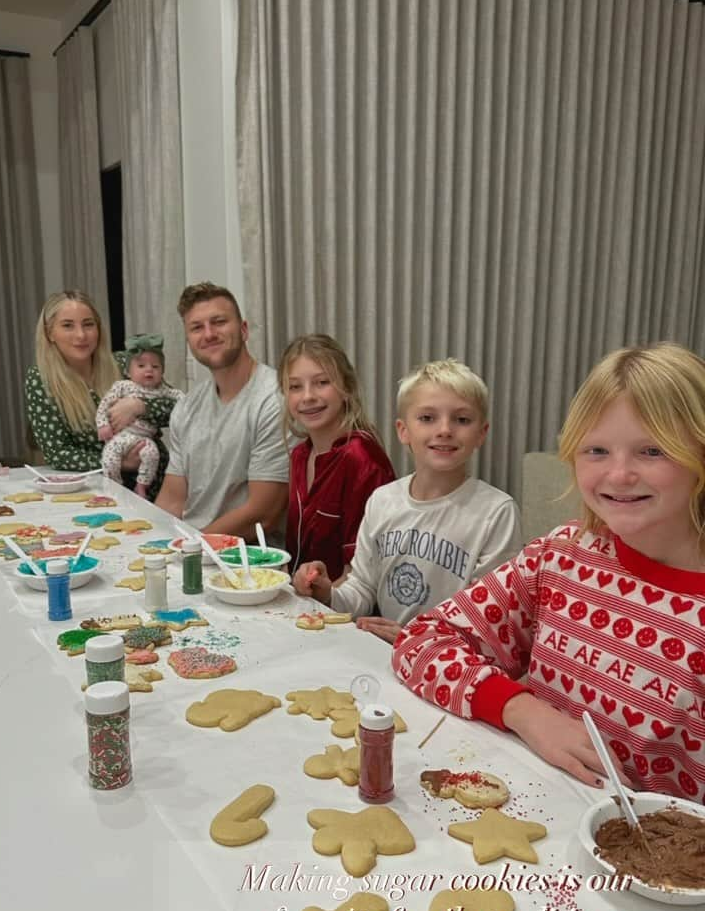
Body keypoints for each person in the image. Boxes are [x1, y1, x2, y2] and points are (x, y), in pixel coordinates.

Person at [393, 342, 705, 801]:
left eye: (652, 451)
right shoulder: (559, 557)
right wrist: (522, 709)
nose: (619, 474)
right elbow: (423, 640)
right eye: (596, 449)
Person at [293, 359, 522, 641]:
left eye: (462, 419)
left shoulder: (496, 513)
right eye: (427, 418)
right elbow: (362, 589)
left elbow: (491, 623)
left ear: (481, 433)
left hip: (453, 666)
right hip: (384, 656)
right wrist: (328, 594)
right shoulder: (382, 501)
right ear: (403, 430)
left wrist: (415, 641)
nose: (445, 430)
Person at [156, 283, 290, 536]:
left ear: (244, 330)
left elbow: (263, 514)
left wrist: (193, 548)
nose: (208, 334)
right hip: (190, 549)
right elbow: (173, 501)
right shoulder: (186, 407)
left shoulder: (274, 399)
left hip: (248, 561)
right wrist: (151, 546)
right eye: (197, 327)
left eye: (218, 322)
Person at [25, 291, 175, 494]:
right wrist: (118, 460)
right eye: (68, 325)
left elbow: (176, 409)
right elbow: (58, 453)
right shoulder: (40, 380)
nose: (81, 335)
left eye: (88, 324)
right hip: (94, 491)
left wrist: (140, 406)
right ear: (49, 332)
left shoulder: (125, 363)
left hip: (156, 484)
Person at [280, 334, 395, 580]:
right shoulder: (300, 456)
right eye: (295, 386)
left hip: (344, 610)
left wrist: (316, 599)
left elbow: (361, 576)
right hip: (304, 600)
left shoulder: (362, 460)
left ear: (347, 389)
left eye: (322, 382)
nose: (308, 396)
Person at [96, 334, 182, 498]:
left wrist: (186, 399)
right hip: (122, 436)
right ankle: (113, 486)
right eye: (141, 365)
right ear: (128, 371)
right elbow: (104, 405)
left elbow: (179, 399)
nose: (149, 369)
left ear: (162, 371)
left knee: (152, 454)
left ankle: (142, 485)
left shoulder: (162, 389)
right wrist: (102, 424)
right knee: (109, 456)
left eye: (155, 367)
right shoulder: (123, 386)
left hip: (145, 439)